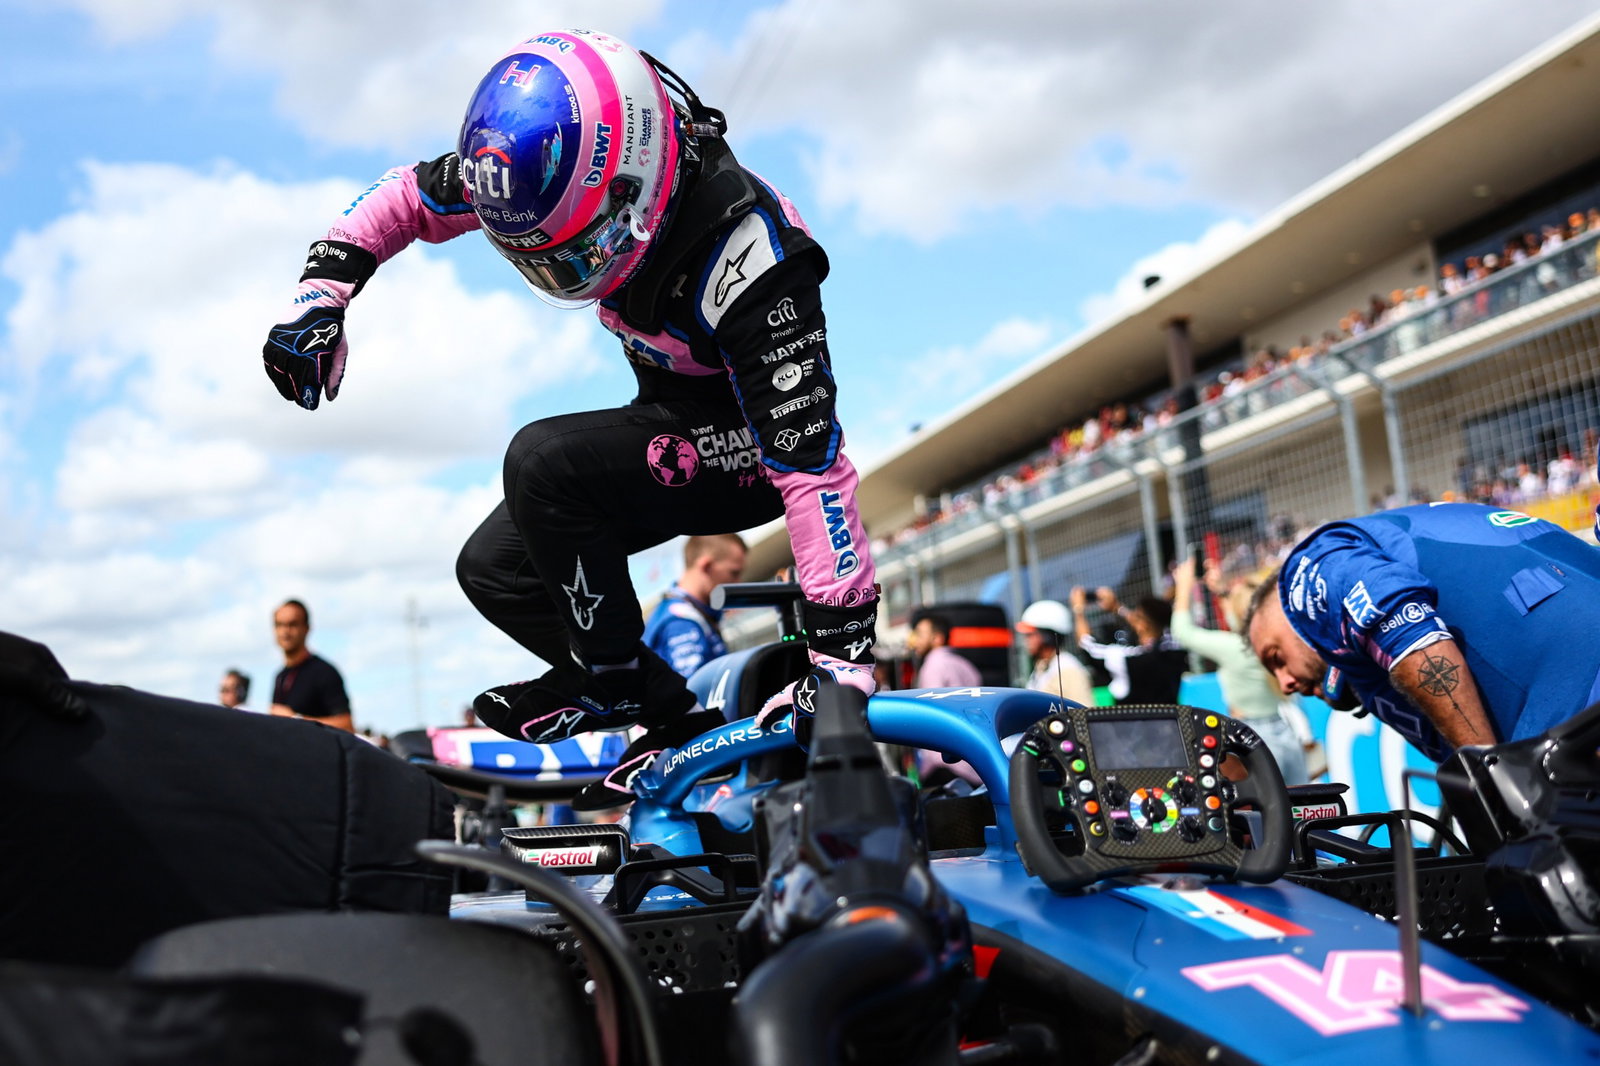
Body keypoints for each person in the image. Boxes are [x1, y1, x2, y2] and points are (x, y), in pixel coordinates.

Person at [260, 31, 877, 807]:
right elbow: (410, 197)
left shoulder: (752, 260)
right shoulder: (540, 168)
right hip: (671, 418)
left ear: (636, 182)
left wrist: (842, 663)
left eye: (576, 252)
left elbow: (816, 468)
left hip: (752, 447)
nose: (567, 276)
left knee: (543, 463)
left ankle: (612, 682)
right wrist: (323, 288)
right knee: (495, 568)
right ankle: (664, 712)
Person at [1244, 502, 1600, 762]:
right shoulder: (1360, 661)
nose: (1285, 682)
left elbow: (1408, 631)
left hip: (1576, 674)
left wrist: (1489, 774)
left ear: (1284, 612)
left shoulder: (1302, 576)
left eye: (1276, 658)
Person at [1170, 557, 1306, 784]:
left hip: (1250, 737)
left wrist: (1184, 587)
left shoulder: (1234, 648)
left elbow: (1182, 631)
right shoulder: (1272, 643)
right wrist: (1222, 591)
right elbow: (1242, 617)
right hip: (1284, 731)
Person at [644, 534, 747, 679]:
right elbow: (694, 693)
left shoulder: (688, 613)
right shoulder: (681, 622)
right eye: (734, 573)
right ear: (706, 566)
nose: (738, 583)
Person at [1070, 587, 1187, 705]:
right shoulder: (1175, 649)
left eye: (1136, 616)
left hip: (1138, 722)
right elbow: (1150, 623)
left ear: (1142, 624)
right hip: (1171, 720)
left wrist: (1078, 610)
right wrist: (1117, 607)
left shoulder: (1129, 659)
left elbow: (1087, 645)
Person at [269, 600, 355, 733]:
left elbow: (346, 725)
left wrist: (296, 719)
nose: (285, 631)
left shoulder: (324, 672)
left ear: (306, 628)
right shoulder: (280, 676)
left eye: (292, 624)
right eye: (279, 625)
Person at [1014, 600, 1093, 706]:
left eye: (1030, 635)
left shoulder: (1068, 668)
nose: (1026, 641)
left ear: (1047, 636)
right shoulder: (1042, 667)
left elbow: (1083, 713)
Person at [907, 610, 982, 689]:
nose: (915, 641)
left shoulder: (933, 666)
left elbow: (931, 699)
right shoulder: (963, 663)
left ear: (938, 639)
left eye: (920, 635)